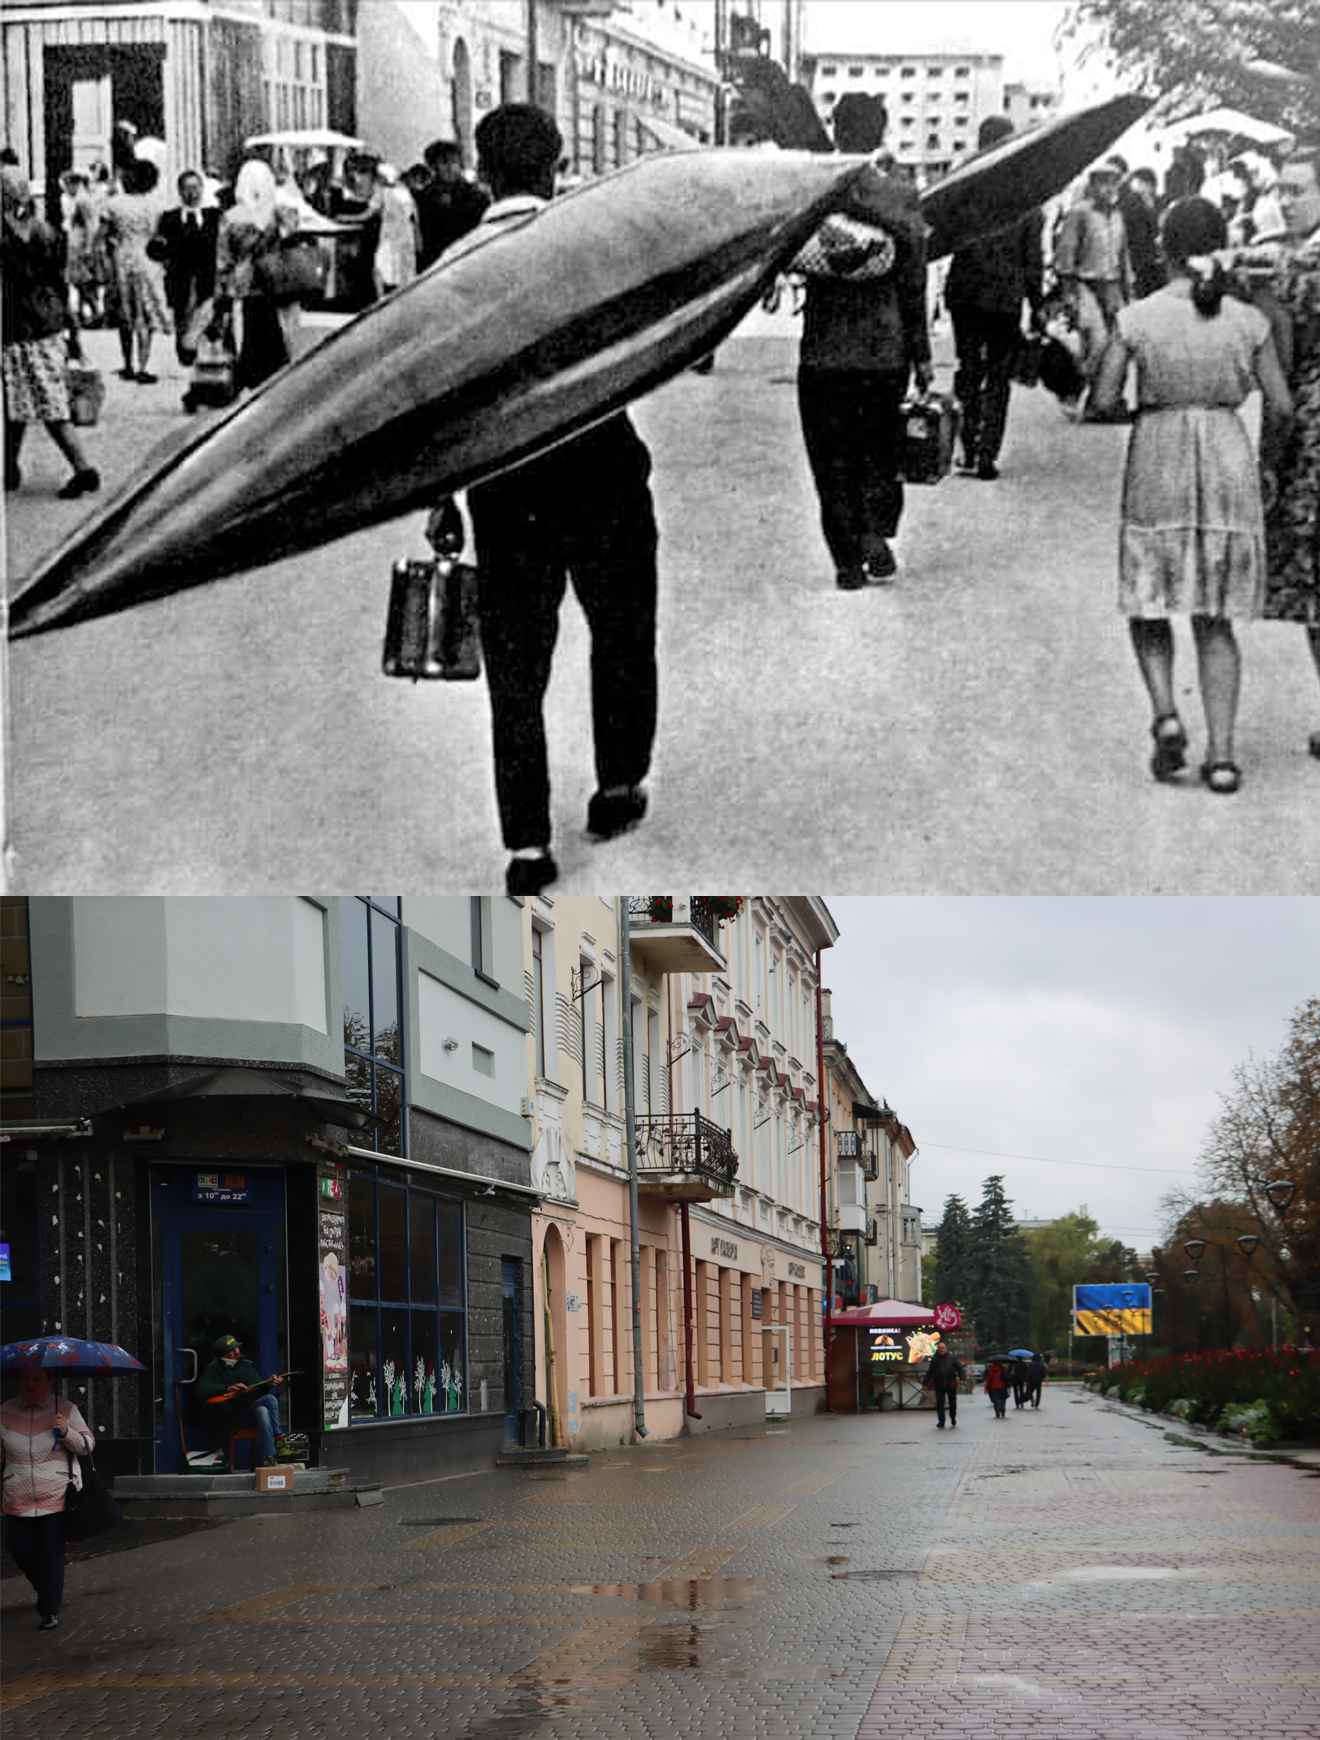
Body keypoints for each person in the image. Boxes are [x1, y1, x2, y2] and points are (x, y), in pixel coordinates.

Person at [449, 104, 660, 895]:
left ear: (482, 170)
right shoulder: (594, 242)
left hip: (507, 483)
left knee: (515, 665)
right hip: (603, 467)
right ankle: (618, 786)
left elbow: (439, 393)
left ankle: (528, 844)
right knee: (623, 630)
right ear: (557, 163)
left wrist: (438, 492)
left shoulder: (457, 262)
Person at [1092, 198, 1292, 794]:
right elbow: (1281, 406)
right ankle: (1223, 757)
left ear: (1164, 249)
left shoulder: (1137, 317)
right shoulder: (1247, 319)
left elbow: (1103, 398)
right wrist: (1268, 464)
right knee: (1214, 615)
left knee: (1149, 599)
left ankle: (1166, 713)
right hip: (1227, 454)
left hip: (1159, 455)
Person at [797, 92, 931, 586]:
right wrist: (922, 354)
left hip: (824, 351)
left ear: (837, 131)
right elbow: (914, 280)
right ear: (881, 133)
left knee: (830, 457)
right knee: (879, 450)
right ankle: (875, 532)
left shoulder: (816, 190)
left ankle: (846, 561)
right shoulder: (901, 195)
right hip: (884, 350)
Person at [1260, 143, 1320, 760]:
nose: (1284, 201)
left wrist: (1268, 462)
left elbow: (1281, 372)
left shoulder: (1296, 269)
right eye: (1280, 190)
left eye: (1297, 190)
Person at [945, 114, 1044, 480]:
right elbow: (1033, 259)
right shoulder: (1027, 195)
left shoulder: (964, 186)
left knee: (968, 369)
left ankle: (967, 448)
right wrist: (1037, 304)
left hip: (965, 295)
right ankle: (987, 454)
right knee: (999, 377)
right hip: (1005, 298)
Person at [2, 165, 100, 498]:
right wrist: (73, 329)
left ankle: (83, 468)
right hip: (48, 320)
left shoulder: (8, 234)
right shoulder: (45, 230)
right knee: (19, 398)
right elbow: (59, 282)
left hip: (19, 324)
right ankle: (9, 466)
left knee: (45, 403)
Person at [1, 1365, 95, 1630]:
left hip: (56, 1494)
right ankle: (46, 1588)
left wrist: (66, 1432)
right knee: (20, 1552)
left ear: (49, 1381)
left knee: (50, 1554)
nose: (30, 1383)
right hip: (16, 1494)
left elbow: (87, 1446)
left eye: (37, 1378)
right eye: (26, 1378)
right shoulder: (5, 1411)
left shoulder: (65, 1408)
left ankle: (49, 1611)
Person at [211, 159, 301, 392]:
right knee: (274, 329)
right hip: (273, 280)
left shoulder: (231, 216)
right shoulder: (277, 213)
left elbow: (223, 258)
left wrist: (222, 286)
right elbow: (294, 231)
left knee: (244, 330)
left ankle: (246, 374)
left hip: (242, 282)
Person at [1053, 159, 1131, 413]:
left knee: (1115, 346)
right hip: (1084, 283)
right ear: (1093, 185)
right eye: (1103, 183)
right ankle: (1073, 387)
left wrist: (1127, 288)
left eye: (1113, 183)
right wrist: (1068, 291)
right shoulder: (1080, 213)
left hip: (1112, 285)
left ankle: (1100, 401)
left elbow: (1123, 254)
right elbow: (1066, 251)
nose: (1109, 188)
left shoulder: (1117, 216)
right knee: (1098, 341)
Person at [101, 156, 171, 382]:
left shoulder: (114, 204)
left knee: (125, 312)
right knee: (145, 313)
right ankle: (144, 365)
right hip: (148, 258)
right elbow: (162, 236)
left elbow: (104, 234)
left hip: (122, 257)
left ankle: (128, 363)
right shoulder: (158, 205)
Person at [194, 1334, 294, 1466]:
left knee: (263, 1410)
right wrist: (227, 1388)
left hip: (248, 1414)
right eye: (232, 1350)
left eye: (237, 1348)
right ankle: (279, 1442)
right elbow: (200, 1390)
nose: (237, 1352)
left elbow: (259, 1394)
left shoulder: (247, 1366)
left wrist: (268, 1385)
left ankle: (269, 1457)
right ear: (223, 1354)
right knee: (268, 1401)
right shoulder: (213, 1369)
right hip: (230, 1416)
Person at [153, 168, 220, 366]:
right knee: (181, 315)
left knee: (206, 314)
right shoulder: (169, 218)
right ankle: (184, 352)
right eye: (187, 188)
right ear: (180, 191)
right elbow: (160, 247)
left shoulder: (214, 216)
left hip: (207, 275)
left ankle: (202, 349)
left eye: (196, 187)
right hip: (179, 276)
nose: (192, 193)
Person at [414, 139, 489, 270]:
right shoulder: (423, 198)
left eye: (454, 162)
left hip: (469, 259)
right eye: (444, 162)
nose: (450, 168)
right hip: (435, 262)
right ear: (433, 166)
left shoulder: (476, 196)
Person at [372, 162, 418, 295]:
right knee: (401, 271)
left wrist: (347, 218)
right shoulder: (402, 191)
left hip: (392, 236)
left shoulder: (384, 192)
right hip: (402, 235)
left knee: (382, 268)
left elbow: (369, 213)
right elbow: (413, 215)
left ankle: (382, 299)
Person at [1119, 168, 1165, 300]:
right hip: (1141, 259)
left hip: (1152, 259)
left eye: (1140, 183)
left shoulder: (1157, 202)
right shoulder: (1132, 203)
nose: (1137, 187)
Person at [926, 1340, 965, 1429]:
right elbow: (930, 1372)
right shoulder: (934, 1359)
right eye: (940, 1348)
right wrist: (925, 1383)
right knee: (940, 1403)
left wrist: (962, 1378)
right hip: (939, 1384)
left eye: (943, 1348)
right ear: (938, 1350)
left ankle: (953, 1417)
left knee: (952, 1402)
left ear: (946, 1349)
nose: (941, 1350)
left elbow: (959, 1368)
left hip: (951, 1383)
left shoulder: (952, 1357)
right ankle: (941, 1421)